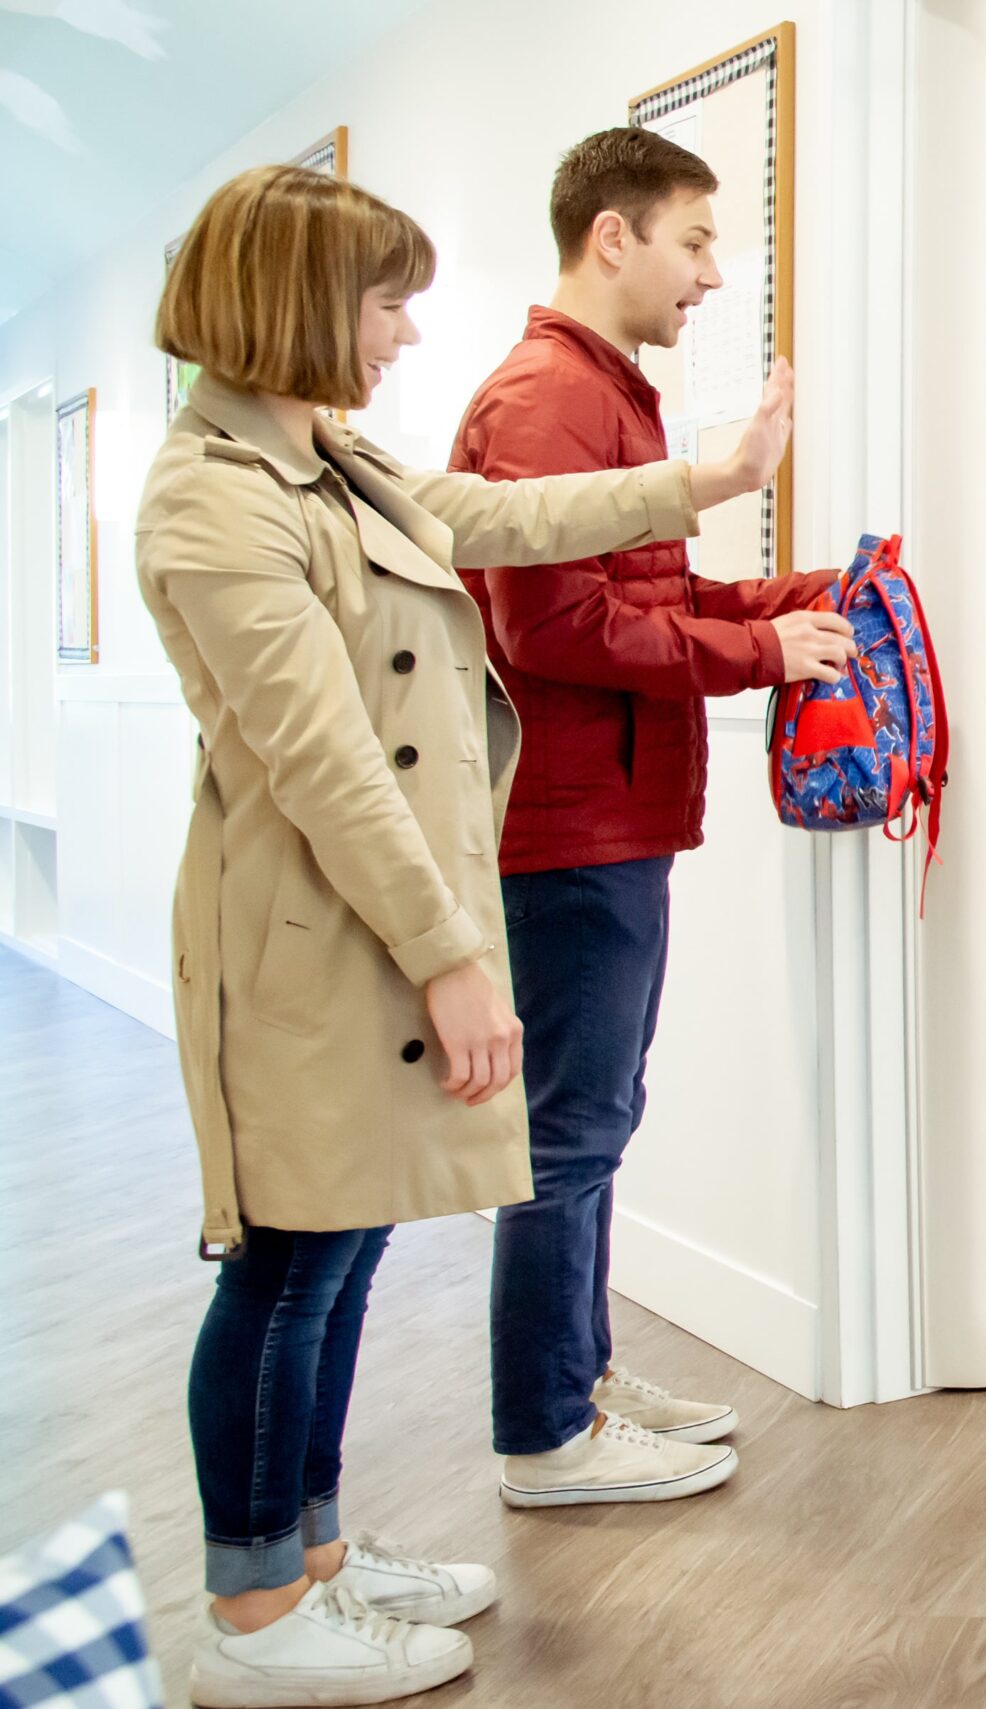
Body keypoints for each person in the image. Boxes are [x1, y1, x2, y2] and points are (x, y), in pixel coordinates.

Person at [139, 165, 794, 1707]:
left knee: (345, 1249)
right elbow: (325, 764)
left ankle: (310, 1555)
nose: (408, 329)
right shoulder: (212, 498)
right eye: (385, 300)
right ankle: (247, 1613)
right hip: (313, 936)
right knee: (288, 1265)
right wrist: (453, 957)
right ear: (296, 302)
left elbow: (496, 514)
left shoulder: (325, 458)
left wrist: (703, 482)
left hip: (375, 923)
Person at [448, 127, 851, 1509]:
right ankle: (546, 1435)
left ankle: (579, 1379)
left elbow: (644, 597)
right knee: (568, 1133)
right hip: (570, 826)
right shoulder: (547, 401)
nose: (712, 275)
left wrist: (783, 599)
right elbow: (557, 626)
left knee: (593, 1119)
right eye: (692, 241)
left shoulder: (600, 395)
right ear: (609, 236)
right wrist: (762, 653)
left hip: (610, 815)